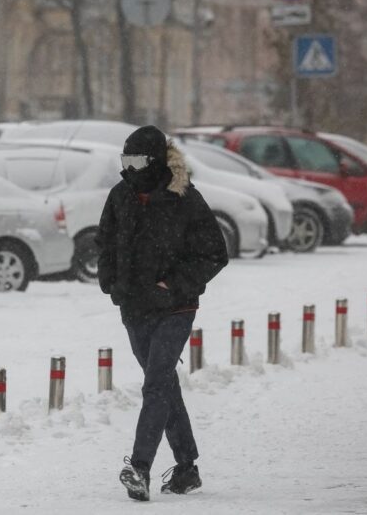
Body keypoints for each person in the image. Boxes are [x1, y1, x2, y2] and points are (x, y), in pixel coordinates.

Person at [95, 125, 229, 502]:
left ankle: (139, 468)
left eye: (137, 161)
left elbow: (215, 254)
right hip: (134, 307)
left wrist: (174, 285)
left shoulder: (184, 198)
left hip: (176, 308)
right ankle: (187, 468)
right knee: (164, 384)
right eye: (125, 161)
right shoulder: (119, 196)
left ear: (154, 162)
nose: (130, 168)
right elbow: (104, 241)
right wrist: (111, 282)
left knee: (155, 383)